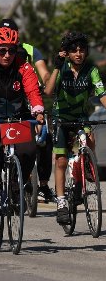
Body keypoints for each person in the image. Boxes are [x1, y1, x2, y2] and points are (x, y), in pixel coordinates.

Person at [0, 26, 44, 219]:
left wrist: (37, 111)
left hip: (16, 117)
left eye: (11, 51)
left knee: (29, 151)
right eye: (2, 51)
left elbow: (33, 92)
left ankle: (14, 187)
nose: (7, 55)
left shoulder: (24, 67)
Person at [43, 32, 106, 224]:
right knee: (61, 160)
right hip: (61, 118)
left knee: (90, 139)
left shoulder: (91, 70)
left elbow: (102, 93)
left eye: (82, 50)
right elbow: (48, 91)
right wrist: (56, 67)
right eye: (74, 50)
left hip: (80, 116)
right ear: (67, 53)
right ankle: (62, 202)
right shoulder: (62, 68)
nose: (78, 53)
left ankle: (85, 171)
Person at [0, 18, 54, 203]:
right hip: (10, 101)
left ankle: (43, 183)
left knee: (45, 138)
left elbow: (43, 71)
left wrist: (47, 82)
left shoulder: (30, 50)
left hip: (32, 98)